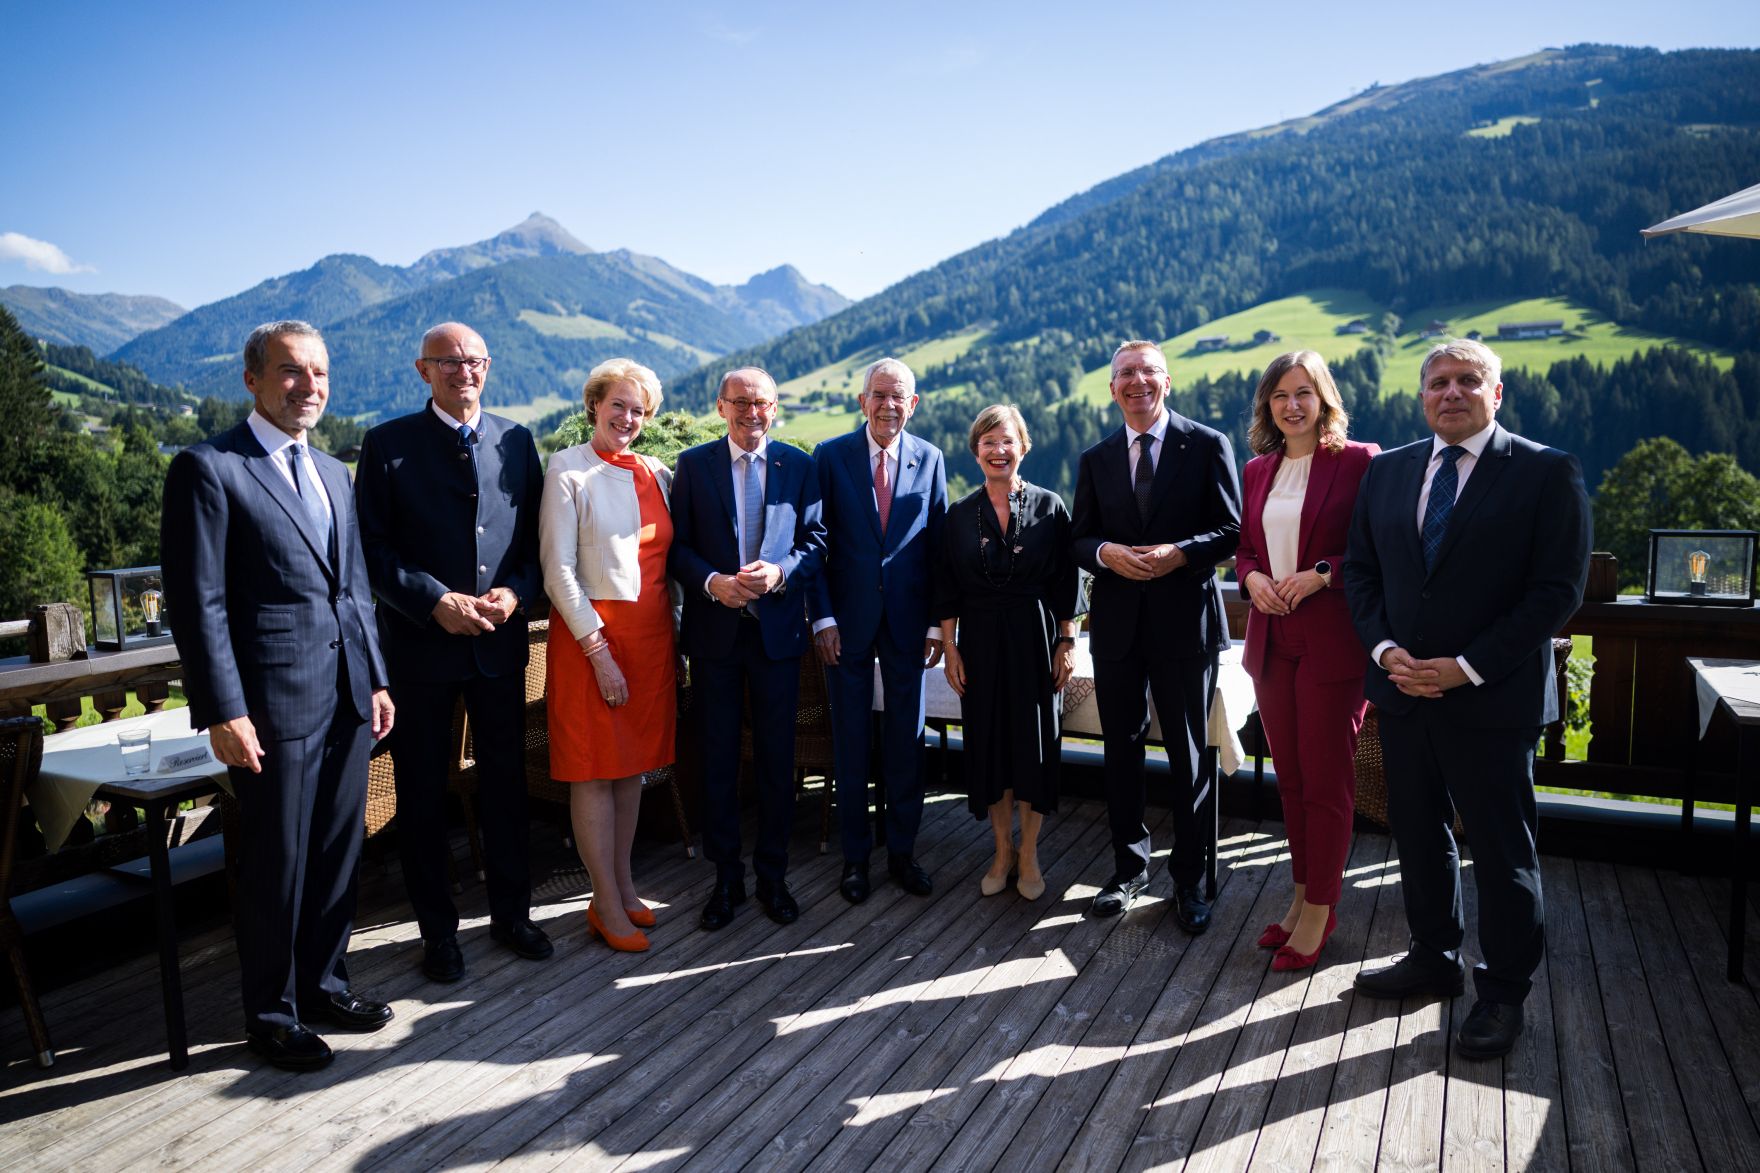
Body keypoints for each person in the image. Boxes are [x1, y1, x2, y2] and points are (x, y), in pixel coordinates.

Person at [1343, 337, 1589, 1059]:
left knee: (1503, 850)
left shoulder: (1545, 471)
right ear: (1422, 395)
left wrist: (1467, 667)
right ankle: (1434, 958)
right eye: (1439, 382)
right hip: (1403, 692)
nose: (1452, 392)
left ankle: (1503, 992)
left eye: (1469, 380)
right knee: (1418, 835)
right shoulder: (1388, 471)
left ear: (1496, 393)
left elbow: (1557, 591)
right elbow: (1361, 572)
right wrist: (1385, 651)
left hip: (1492, 700)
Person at [161, 320, 396, 1072]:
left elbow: (353, 587)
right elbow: (198, 603)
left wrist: (376, 676)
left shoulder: (332, 471)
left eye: (320, 372)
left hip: (347, 696)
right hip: (270, 707)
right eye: (292, 371)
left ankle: (324, 986)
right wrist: (223, 710)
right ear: (252, 379)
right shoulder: (209, 468)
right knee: (276, 863)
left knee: (336, 853)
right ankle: (271, 1014)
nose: (309, 386)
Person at [355, 322, 552, 984]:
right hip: (419, 649)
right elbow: (371, 550)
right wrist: (432, 600)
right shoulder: (387, 444)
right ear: (423, 369)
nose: (463, 371)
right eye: (448, 362)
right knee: (420, 795)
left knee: (507, 786)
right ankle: (437, 933)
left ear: (487, 367)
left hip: (498, 644)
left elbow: (536, 545)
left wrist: (515, 593)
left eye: (473, 361)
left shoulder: (517, 440)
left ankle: (513, 915)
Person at [1070, 339, 1241, 931]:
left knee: (1188, 754)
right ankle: (1128, 869)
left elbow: (1232, 530)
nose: (1136, 381)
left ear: (1167, 382)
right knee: (1120, 751)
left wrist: (1179, 553)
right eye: (1125, 373)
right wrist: (1105, 553)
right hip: (1117, 627)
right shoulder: (1096, 458)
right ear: (1111, 388)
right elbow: (1078, 539)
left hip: (1185, 625)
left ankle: (1191, 881)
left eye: (1148, 371)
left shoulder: (1207, 444)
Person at [1234, 351, 1379, 971]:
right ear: (1267, 406)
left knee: (1326, 782)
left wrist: (1322, 574)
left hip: (1331, 642)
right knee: (1290, 780)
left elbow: (1376, 549)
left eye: (1303, 393)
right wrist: (1252, 579)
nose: (1291, 406)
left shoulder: (1359, 461)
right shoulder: (1257, 470)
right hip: (1272, 641)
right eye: (1279, 396)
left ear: (1324, 400)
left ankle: (1321, 908)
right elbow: (1245, 548)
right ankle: (1300, 898)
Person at [668, 368, 827, 930]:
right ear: (721, 407)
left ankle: (773, 876)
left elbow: (816, 541)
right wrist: (713, 582)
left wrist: (780, 572)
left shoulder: (798, 465)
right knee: (717, 759)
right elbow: (677, 548)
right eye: (740, 402)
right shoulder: (693, 465)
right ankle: (726, 878)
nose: (751, 412)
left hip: (776, 636)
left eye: (761, 403)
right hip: (715, 635)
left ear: (775, 408)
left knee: (777, 760)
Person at [539, 358, 677, 952]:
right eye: (617, 404)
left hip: (651, 642)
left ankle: (621, 886)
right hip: (592, 642)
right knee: (594, 771)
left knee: (631, 770)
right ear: (594, 404)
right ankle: (602, 901)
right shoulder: (566, 469)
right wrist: (598, 652)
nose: (627, 417)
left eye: (638, 410)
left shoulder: (657, 472)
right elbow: (557, 572)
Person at [810, 357, 948, 904]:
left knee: (906, 740)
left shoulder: (929, 458)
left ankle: (903, 853)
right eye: (879, 395)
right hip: (845, 623)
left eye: (899, 397)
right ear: (862, 401)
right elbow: (814, 543)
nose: (888, 405)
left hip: (910, 624)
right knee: (850, 739)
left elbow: (937, 547)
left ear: (913, 404)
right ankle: (855, 859)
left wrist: (936, 622)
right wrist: (822, 617)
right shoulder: (830, 456)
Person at [935, 405, 1080, 900]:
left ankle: (1031, 852)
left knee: (1033, 748)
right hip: (978, 640)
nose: (998, 450)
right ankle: (1001, 851)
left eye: (1007, 441)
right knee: (989, 747)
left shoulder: (1050, 506)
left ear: (1024, 447)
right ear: (976, 451)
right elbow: (947, 587)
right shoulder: (958, 515)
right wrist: (950, 648)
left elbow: (1067, 580)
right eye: (988, 442)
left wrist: (1067, 641)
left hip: (1036, 637)